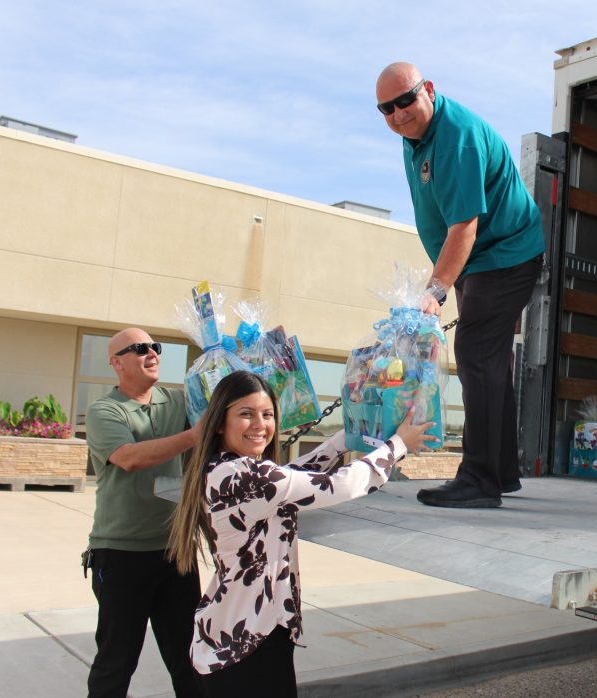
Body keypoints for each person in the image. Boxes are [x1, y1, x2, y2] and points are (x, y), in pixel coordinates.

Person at [166, 370, 436, 698]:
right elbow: (340, 484)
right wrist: (397, 446)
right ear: (220, 422)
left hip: (243, 636)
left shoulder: (229, 469)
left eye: (267, 415)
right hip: (246, 646)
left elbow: (297, 474)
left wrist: (349, 436)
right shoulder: (244, 478)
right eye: (245, 414)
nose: (260, 425)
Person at [375, 62, 546, 509]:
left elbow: (464, 225)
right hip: (478, 263)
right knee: (489, 361)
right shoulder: (416, 140)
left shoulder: (456, 137)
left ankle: (479, 480)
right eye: (386, 109)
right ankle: (502, 471)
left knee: (474, 352)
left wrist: (436, 289)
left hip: (504, 254)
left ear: (428, 90)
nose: (397, 113)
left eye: (406, 100)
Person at [84, 328, 202, 698]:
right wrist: (194, 435)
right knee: (116, 662)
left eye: (155, 347)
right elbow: (129, 458)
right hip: (121, 554)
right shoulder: (105, 410)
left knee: (192, 661)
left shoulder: (179, 402)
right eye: (139, 348)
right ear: (116, 363)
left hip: (176, 553)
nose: (151, 352)